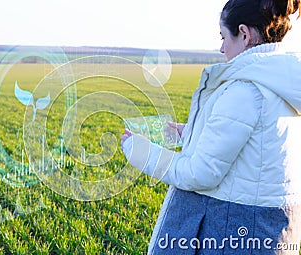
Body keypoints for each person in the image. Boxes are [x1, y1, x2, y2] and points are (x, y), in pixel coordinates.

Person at [121, 0, 301, 254]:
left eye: (223, 37)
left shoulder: (245, 90)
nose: (221, 48)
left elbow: (200, 174)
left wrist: (140, 151)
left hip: (237, 229)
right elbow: (258, 148)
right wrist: (193, 133)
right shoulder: (282, 81)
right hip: (273, 229)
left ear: (245, 34)